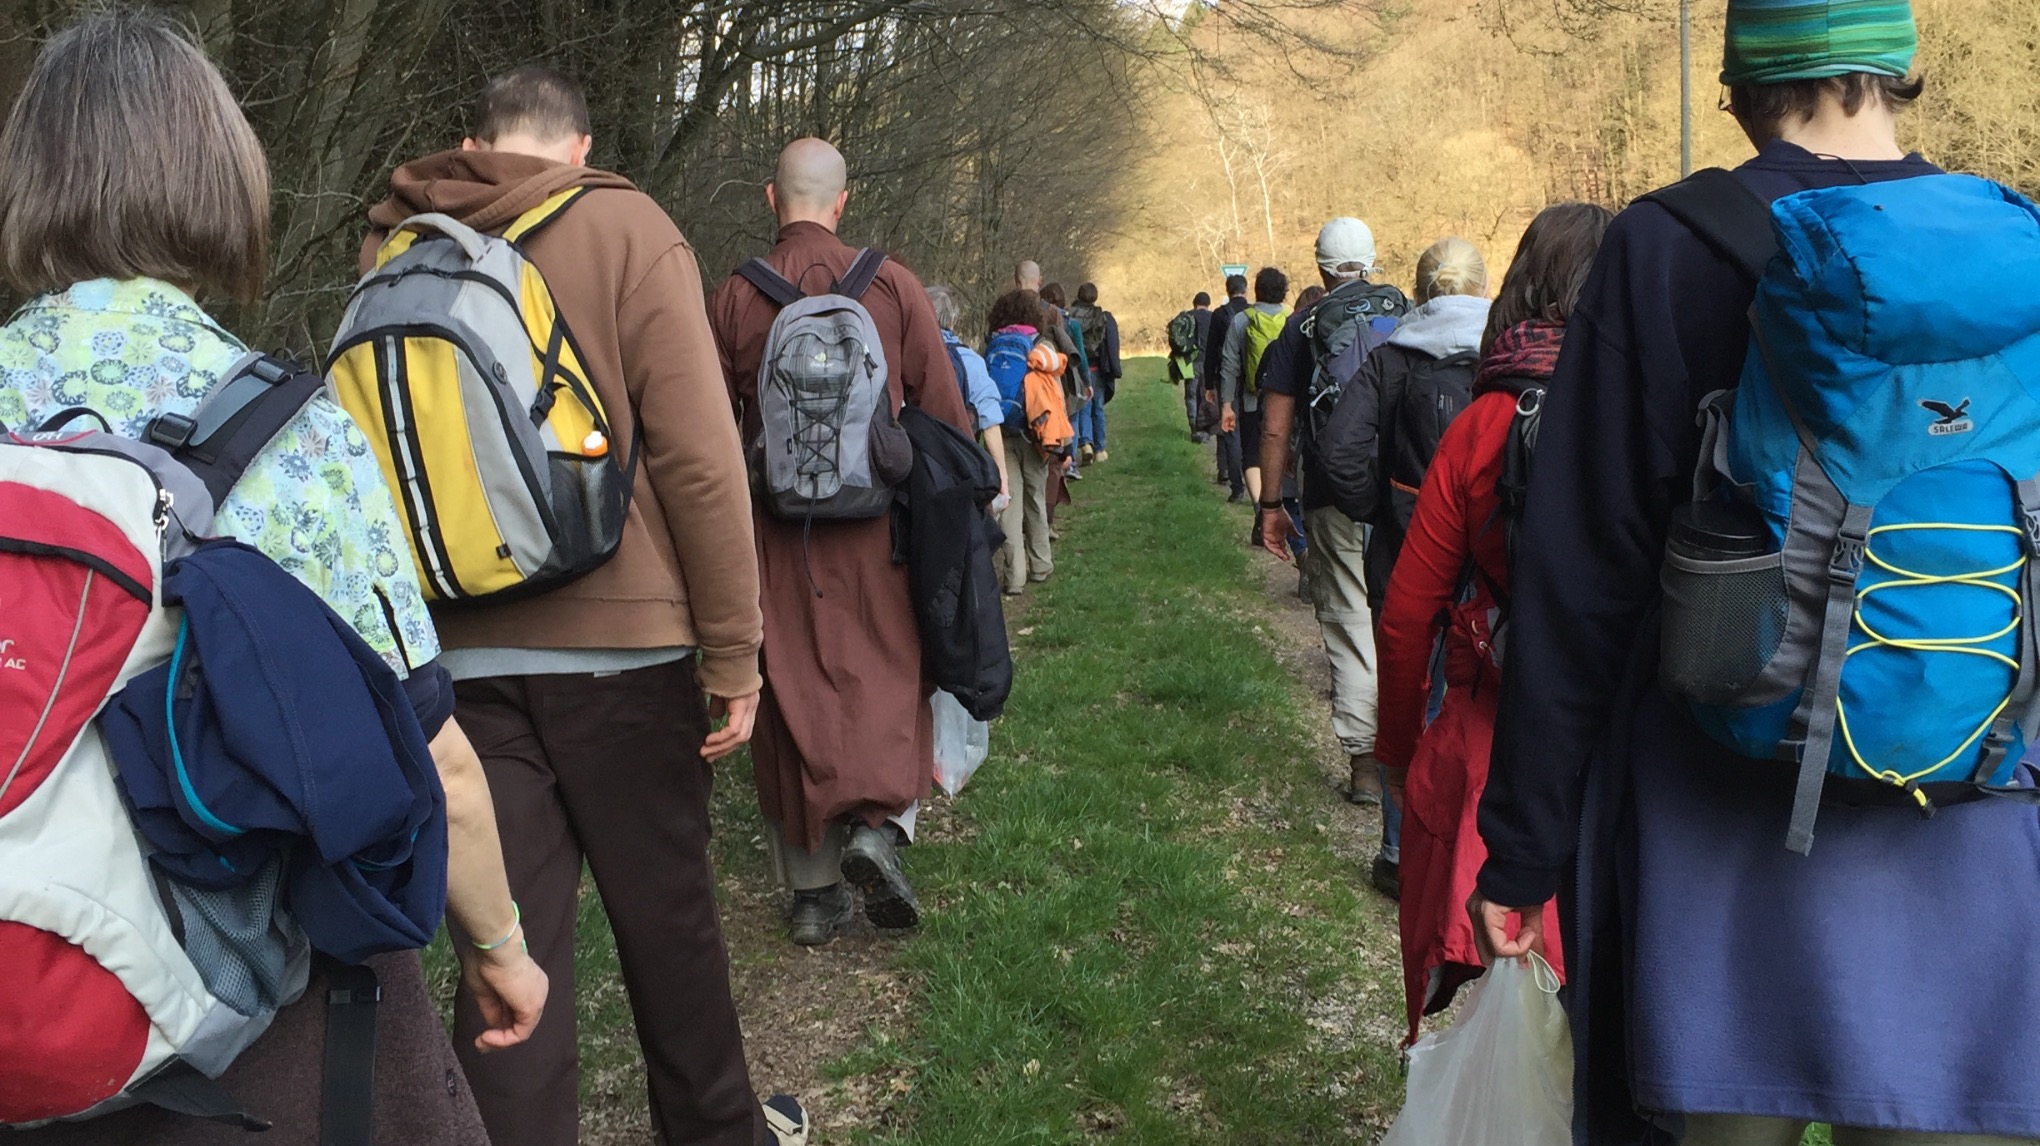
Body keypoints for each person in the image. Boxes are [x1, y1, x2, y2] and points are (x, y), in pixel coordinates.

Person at [1473, 4, 2040, 1143]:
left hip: (1720, 807)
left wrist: (1523, 843)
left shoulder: (1663, 245)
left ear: (1739, 82)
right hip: (1977, 784)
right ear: (1900, 70)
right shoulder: (2015, 247)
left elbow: (1582, 573)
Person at [0, 12, 546, 1142]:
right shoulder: (289, 427)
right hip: (225, 1019)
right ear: (220, 178)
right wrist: (500, 950)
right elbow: (431, 752)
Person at [361, 66, 799, 1146]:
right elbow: (701, 462)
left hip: (457, 661)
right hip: (627, 656)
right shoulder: (625, 226)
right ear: (581, 142)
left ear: (475, 140)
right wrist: (734, 655)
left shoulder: (394, 249)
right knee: (670, 933)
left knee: (506, 963)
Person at [710, 139, 974, 949]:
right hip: (881, 529)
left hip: (778, 536)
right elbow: (944, 414)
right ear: (843, 201)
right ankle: (879, 827)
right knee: (890, 676)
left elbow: (711, 438)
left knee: (793, 691)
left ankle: (814, 895)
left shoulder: (733, 299)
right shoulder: (891, 285)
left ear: (769, 199)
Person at [1370, 206, 1609, 1048]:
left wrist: (1395, 753)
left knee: (1467, 1009)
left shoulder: (1484, 421)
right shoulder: (1651, 412)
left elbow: (1407, 617)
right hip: (1615, 752)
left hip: (1487, 746)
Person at [1250, 218, 1414, 899]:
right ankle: (1408, 758)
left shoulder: (1304, 327)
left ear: (1319, 268)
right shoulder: (1408, 312)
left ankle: (1364, 765)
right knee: (1401, 621)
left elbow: (1278, 421)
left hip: (1332, 494)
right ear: (1373, 262)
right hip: (1406, 491)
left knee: (1347, 620)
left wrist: (1270, 502)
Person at [1321, 237, 1490, 614]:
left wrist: (1381, 507)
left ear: (1415, 294)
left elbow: (1338, 453)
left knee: (1408, 670)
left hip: (1403, 553)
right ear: (1486, 287)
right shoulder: (1509, 353)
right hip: (1491, 562)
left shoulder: (1389, 359)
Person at [985, 289, 1066, 595]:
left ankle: (1014, 576)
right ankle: (1041, 564)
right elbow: (1055, 396)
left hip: (1000, 433)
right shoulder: (1039, 345)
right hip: (1034, 434)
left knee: (1010, 504)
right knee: (1035, 497)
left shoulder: (993, 344)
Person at [925, 283, 1012, 513]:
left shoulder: (906, 357)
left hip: (918, 469)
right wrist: (1001, 480)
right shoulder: (970, 361)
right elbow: (990, 423)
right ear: (953, 320)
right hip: (962, 466)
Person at [1217, 266, 1290, 506]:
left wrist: (1226, 404)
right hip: (1288, 401)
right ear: (1284, 292)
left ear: (1256, 292)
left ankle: (1262, 511)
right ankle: (1279, 505)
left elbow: (1229, 365)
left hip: (1252, 400)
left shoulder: (1242, 320)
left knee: (1252, 456)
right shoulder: (1293, 318)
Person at [1039, 281, 1092, 476]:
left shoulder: (1040, 321)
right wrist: (1087, 381)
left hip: (1048, 374)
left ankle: (1056, 460)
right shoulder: (1073, 324)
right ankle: (1071, 464)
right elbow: (1080, 355)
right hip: (1069, 377)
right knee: (1073, 418)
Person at [1204, 274, 1251, 494]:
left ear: (1228, 290)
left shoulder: (1220, 314)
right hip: (1252, 379)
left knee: (1230, 430)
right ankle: (1255, 483)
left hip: (1225, 378)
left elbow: (1211, 352)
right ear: (1246, 289)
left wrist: (1208, 385)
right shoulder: (1254, 314)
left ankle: (1236, 486)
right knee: (1251, 430)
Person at [1068, 282, 1121, 462]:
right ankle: (1100, 449)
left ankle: (1085, 443)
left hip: (1076, 367)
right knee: (1097, 408)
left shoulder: (1070, 315)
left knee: (1081, 407)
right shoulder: (1101, 316)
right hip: (1096, 368)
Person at [1170, 291, 1214, 441]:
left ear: (1194, 303)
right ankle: (1206, 429)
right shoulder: (1214, 317)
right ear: (1208, 304)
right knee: (1207, 394)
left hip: (1190, 362)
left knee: (1191, 394)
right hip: (1210, 362)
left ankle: (1194, 426)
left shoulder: (1186, 316)